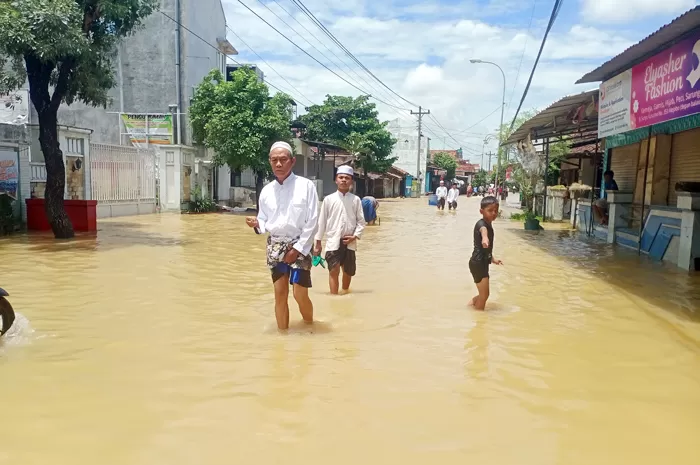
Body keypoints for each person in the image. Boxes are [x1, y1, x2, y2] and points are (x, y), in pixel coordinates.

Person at [245, 141, 319, 331]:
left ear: (292, 161)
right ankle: (282, 339)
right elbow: (264, 220)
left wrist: (298, 249)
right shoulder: (266, 191)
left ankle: (309, 326)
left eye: (283, 160)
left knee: (299, 294)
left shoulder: (306, 186)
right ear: (270, 162)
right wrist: (256, 224)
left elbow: (312, 221)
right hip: (275, 246)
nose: (279, 164)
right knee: (280, 293)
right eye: (274, 160)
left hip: (300, 245)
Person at [313, 166, 366, 295]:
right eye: (341, 177)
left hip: (350, 242)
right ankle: (334, 297)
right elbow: (322, 222)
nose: (343, 180)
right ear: (336, 180)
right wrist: (318, 243)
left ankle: (346, 292)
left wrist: (355, 236)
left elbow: (361, 221)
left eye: (347, 178)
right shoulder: (328, 199)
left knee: (348, 272)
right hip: (333, 241)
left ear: (351, 181)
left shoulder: (356, 200)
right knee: (333, 270)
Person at [468, 196, 503, 311]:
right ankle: (479, 319)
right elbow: (484, 233)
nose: (493, 213)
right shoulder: (482, 224)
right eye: (490, 210)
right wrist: (485, 239)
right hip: (478, 263)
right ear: (481, 211)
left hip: (481, 262)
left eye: (496, 211)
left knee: (483, 294)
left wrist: (493, 259)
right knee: (484, 295)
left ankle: (469, 308)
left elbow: (486, 249)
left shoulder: (488, 224)